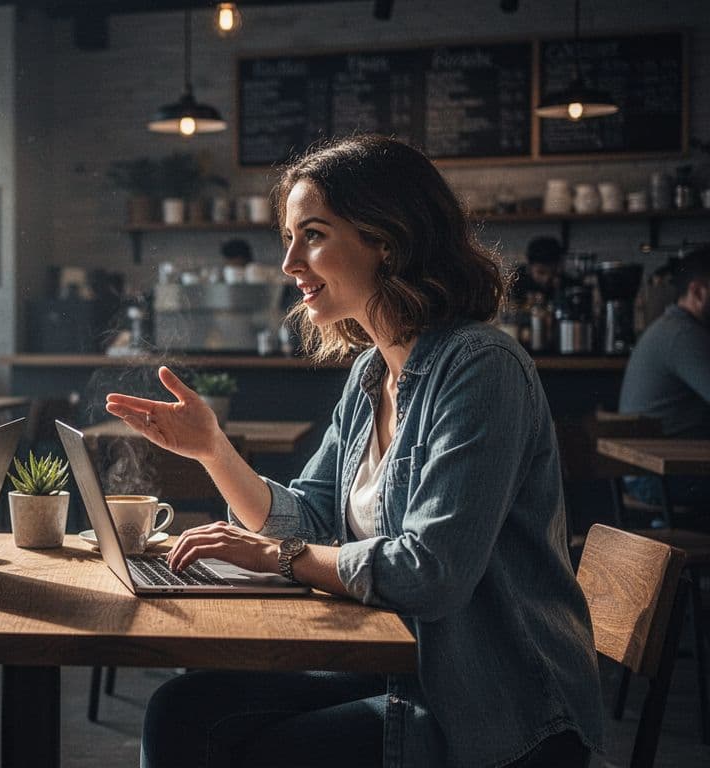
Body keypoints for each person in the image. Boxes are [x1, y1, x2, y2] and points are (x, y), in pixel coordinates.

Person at [106, 135, 602, 767]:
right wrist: (213, 451)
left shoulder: (482, 368)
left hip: (489, 707)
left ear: (386, 240)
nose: (288, 262)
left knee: (240, 747)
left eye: (311, 234)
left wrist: (279, 558)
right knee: (180, 710)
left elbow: (433, 574)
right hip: (395, 666)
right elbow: (310, 522)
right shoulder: (372, 371)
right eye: (287, 237)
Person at [618, 245, 710, 509]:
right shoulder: (683, 335)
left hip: (660, 473)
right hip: (656, 479)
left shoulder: (678, 328)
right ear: (698, 291)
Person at [513, 234, 566, 300]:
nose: (546, 278)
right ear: (529, 268)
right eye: (541, 273)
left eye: (553, 272)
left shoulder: (565, 283)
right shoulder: (516, 280)